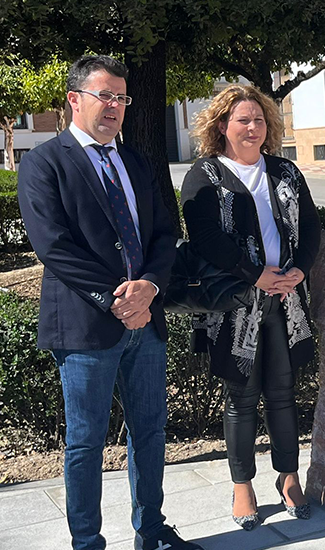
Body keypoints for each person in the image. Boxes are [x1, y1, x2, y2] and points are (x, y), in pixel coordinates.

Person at [17, 55, 199, 550]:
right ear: (75, 100)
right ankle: (86, 542)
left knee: (150, 432)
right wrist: (115, 298)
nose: (115, 106)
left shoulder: (135, 160)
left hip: (147, 320)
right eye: (105, 95)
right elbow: (52, 245)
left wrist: (151, 287)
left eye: (122, 97)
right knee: (85, 443)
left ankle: (153, 532)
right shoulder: (43, 162)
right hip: (85, 326)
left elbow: (164, 231)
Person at [182, 84, 322, 528]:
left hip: (285, 300)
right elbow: (205, 237)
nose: (253, 127)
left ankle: (288, 477)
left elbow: (313, 225)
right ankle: (243, 487)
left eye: (259, 120)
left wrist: (299, 268)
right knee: (240, 397)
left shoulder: (284, 171)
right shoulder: (204, 174)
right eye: (243, 120)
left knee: (283, 393)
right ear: (222, 126)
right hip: (234, 305)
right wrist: (253, 274)